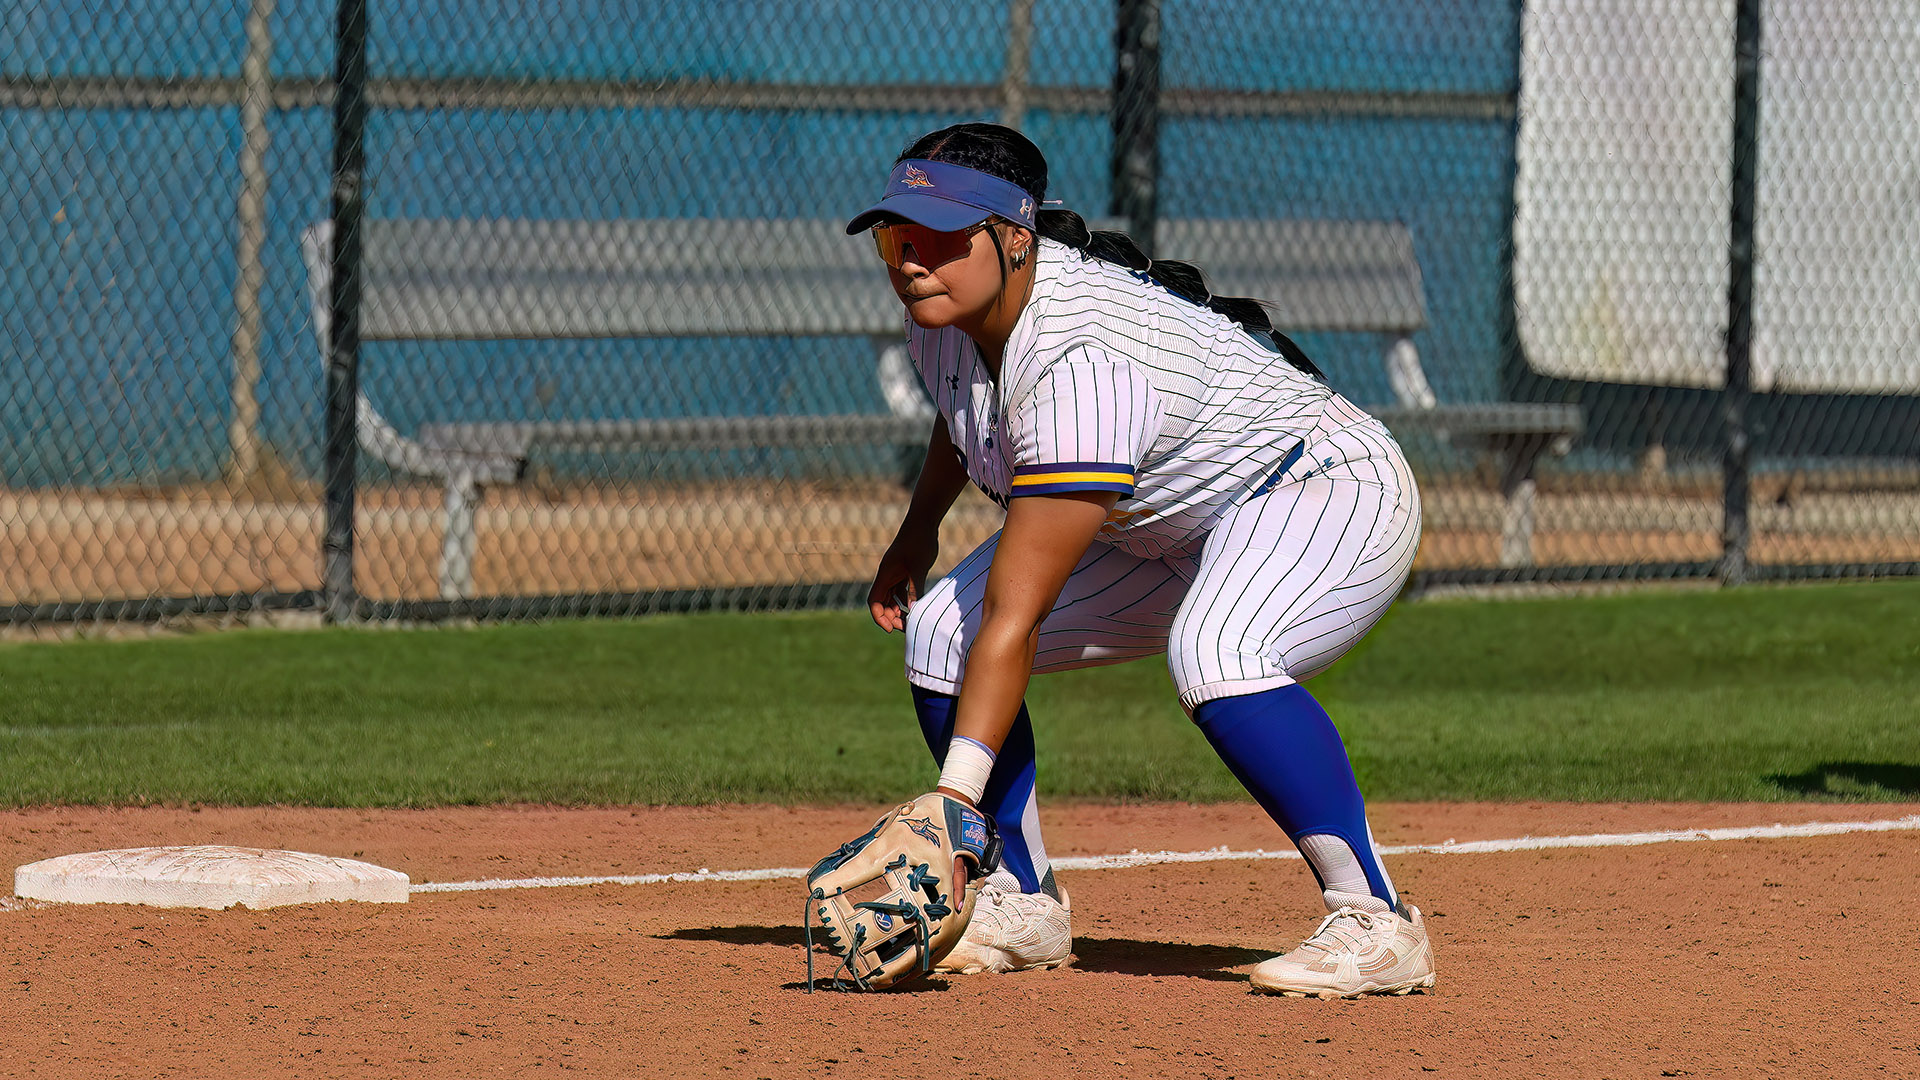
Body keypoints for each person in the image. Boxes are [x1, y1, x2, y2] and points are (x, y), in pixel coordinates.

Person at [848, 123, 1434, 998]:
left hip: (1319, 486)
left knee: (1219, 651)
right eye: (896, 235)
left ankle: (1377, 923)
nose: (911, 260)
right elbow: (961, 405)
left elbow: (1017, 614)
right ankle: (1023, 902)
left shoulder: (1083, 357)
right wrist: (918, 527)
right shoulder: (946, 312)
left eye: (940, 235)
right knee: (940, 633)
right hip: (1166, 522)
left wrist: (953, 799)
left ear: (1015, 237)